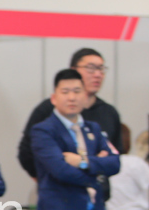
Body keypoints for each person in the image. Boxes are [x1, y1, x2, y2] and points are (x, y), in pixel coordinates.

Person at [31, 69, 120, 210]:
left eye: (77, 91)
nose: (72, 97)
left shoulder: (93, 129)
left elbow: (115, 163)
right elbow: (61, 170)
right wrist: (96, 173)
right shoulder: (43, 131)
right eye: (65, 92)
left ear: (85, 96)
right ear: (54, 98)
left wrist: (83, 161)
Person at [17, 48, 122, 179]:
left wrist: (83, 162)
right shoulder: (47, 110)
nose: (97, 74)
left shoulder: (108, 113)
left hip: (100, 189)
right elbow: (28, 154)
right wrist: (45, 179)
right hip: (59, 187)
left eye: (101, 69)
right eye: (90, 68)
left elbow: (115, 160)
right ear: (74, 70)